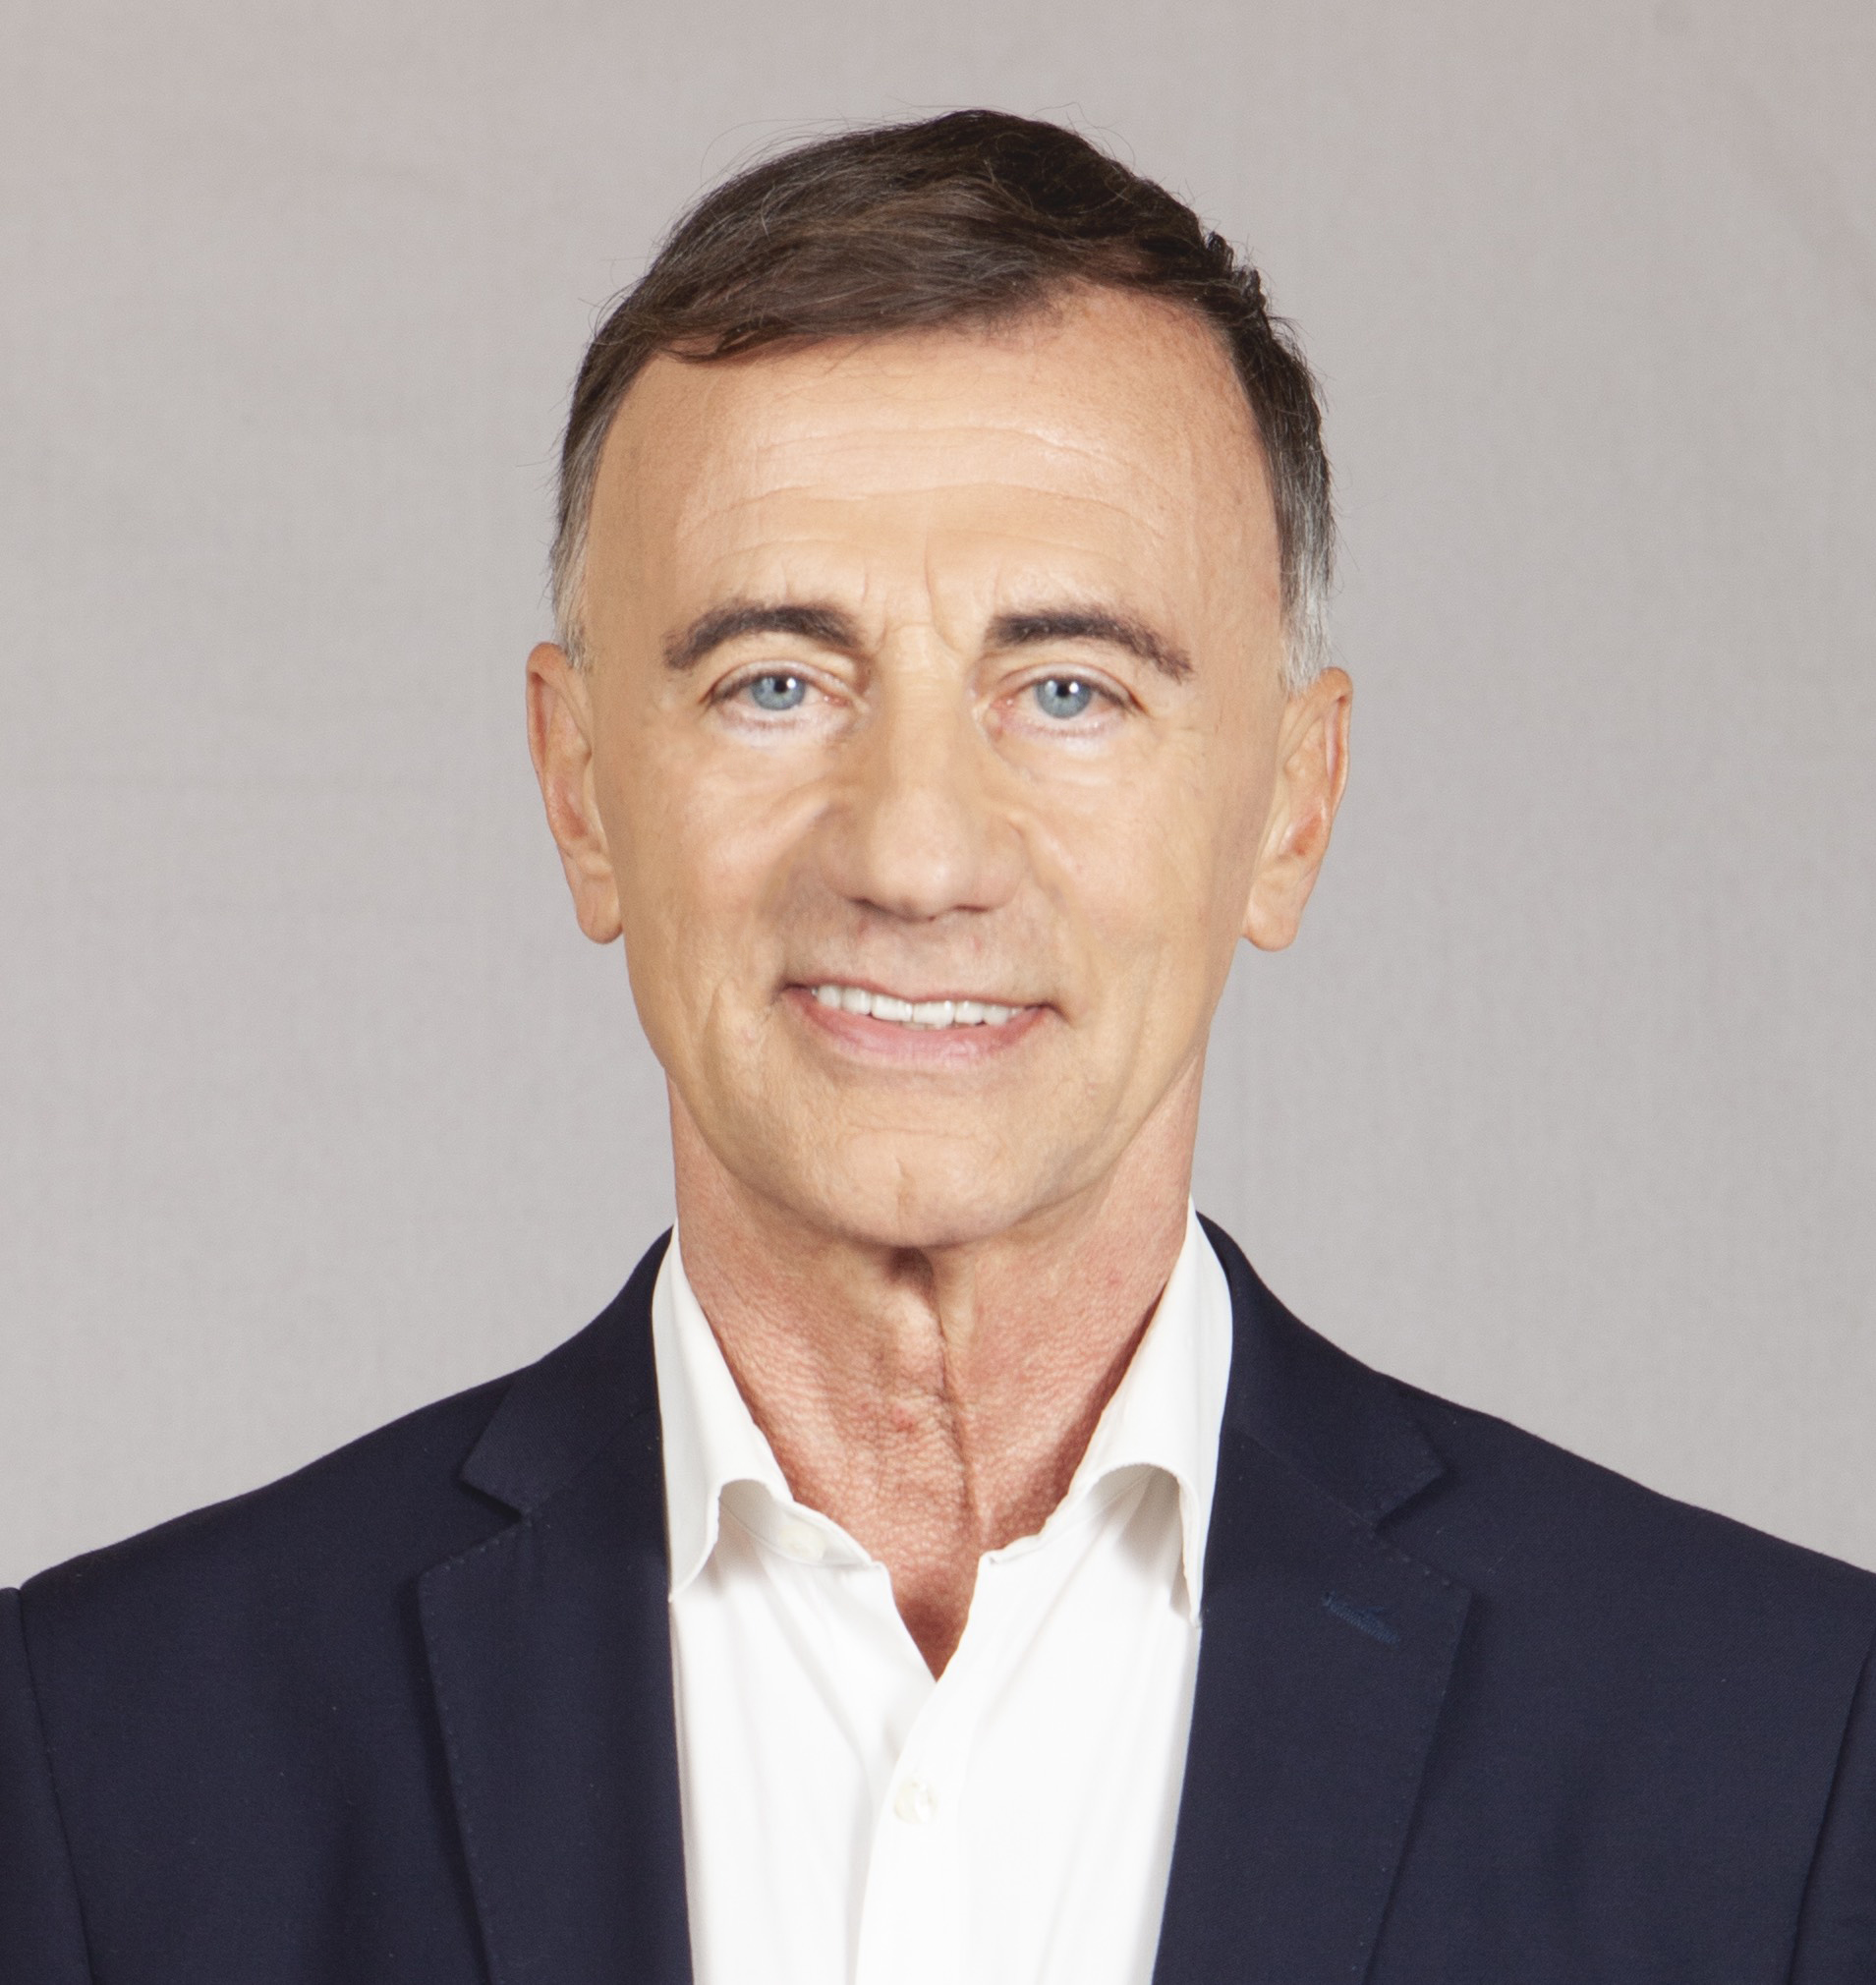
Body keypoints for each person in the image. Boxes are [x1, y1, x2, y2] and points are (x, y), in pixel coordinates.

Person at [2, 109, 1871, 1985]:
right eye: (775, 683)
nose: (911, 855)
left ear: (1292, 808)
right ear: (579, 792)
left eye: (1066, 689)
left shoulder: (1783, 1761)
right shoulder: (98, 1757)